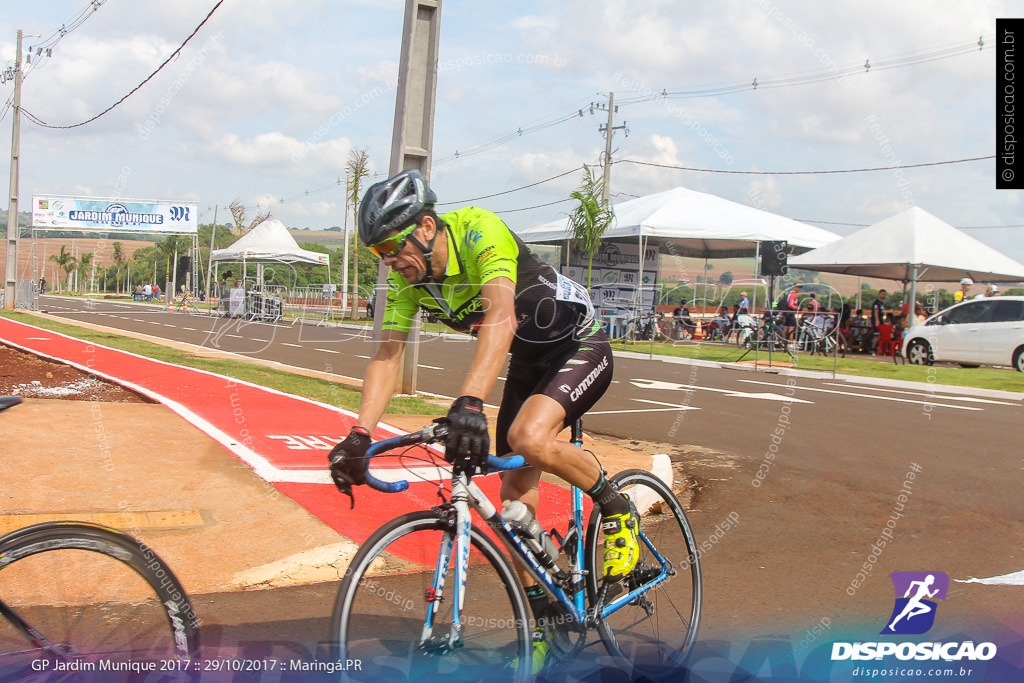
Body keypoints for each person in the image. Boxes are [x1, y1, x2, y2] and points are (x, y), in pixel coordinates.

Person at [326, 170, 635, 669]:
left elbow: (500, 317)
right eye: (377, 254)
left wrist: (469, 401)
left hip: (579, 344)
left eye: (391, 247)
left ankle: (618, 510)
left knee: (527, 437)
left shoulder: (477, 231)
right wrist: (358, 435)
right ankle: (546, 625)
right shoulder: (412, 282)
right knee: (513, 504)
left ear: (426, 227)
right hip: (529, 363)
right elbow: (387, 356)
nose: (387, 262)